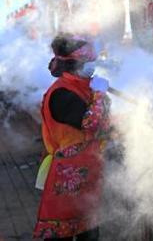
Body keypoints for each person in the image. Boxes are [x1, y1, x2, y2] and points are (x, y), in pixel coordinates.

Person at [34, 34, 111, 240]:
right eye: (89, 62)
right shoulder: (61, 93)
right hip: (68, 177)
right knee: (65, 232)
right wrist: (100, 95)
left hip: (88, 174)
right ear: (75, 64)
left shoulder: (84, 87)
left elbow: (106, 122)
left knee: (89, 231)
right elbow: (92, 126)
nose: (93, 66)